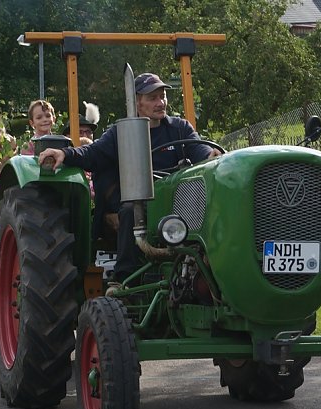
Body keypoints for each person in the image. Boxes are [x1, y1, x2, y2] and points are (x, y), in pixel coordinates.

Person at [38, 72, 222, 282]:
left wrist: (211, 155)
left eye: (162, 96)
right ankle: (124, 280)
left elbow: (199, 151)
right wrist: (65, 153)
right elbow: (93, 154)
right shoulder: (122, 132)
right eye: (152, 98)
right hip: (141, 203)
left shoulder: (180, 129)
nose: (160, 102)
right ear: (136, 102)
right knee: (130, 210)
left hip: (176, 203)